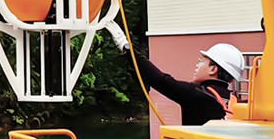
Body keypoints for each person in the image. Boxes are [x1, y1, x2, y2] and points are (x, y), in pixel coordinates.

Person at [105, 22, 245, 125]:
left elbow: (161, 80)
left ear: (213, 69)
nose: (197, 65)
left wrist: (126, 47)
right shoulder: (236, 103)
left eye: (202, 61)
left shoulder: (197, 95)